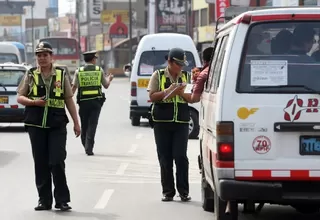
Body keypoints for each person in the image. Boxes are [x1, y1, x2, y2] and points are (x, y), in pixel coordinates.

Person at [16, 41, 81, 211]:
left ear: (52, 57)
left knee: (57, 161)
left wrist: (76, 122)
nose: (42, 58)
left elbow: (68, 99)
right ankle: (44, 200)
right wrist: (34, 102)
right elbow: (20, 97)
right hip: (36, 125)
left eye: (45, 55)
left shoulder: (60, 74)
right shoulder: (31, 74)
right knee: (41, 162)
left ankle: (62, 200)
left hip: (57, 124)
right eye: (39, 55)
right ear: (36, 58)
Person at [147, 48, 192, 202]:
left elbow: (191, 97)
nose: (180, 67)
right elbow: (152, 96)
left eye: (182, 64)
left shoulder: (187, 76)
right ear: (170, 62)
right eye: (178, 64)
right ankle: (168, 192)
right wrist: (167, 91)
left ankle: (184, 191)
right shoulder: (158, 75)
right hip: (162, 122)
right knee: (165, 158)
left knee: (180, 156)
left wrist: (181, 93)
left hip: (181, 122)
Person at [72, 50, 113, 156]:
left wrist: (67, 97)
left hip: (83, 102)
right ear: (93, 59)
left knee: (84, 124)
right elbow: (106, 85)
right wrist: (109, 78)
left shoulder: (79, 71)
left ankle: (85, 143)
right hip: (96, 103)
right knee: (93, 124)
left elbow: (73, 88)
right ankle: (89, 147)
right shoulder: (99, 70)